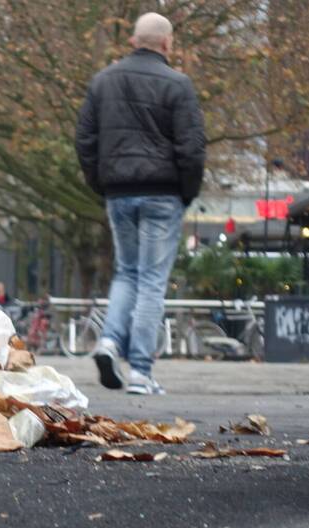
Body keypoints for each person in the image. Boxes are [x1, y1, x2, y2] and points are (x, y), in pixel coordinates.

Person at [76, 12, 205, 395]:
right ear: (167, 45)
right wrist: (186, 192)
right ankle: (141, 372)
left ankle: (110, 341)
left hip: (119, 191)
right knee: (151, 280)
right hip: (163, 193)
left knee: (126, 273)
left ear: (132, 41)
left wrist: (102, 182)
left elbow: (85, 140)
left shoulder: (102, 82)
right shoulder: (178, 85)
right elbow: (192, 148)